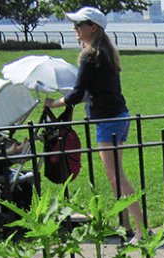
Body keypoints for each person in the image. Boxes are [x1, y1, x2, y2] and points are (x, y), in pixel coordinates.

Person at [45, 7, 146, 244]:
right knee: (115, 177)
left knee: (117, 177)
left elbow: (77, 93)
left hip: (108, 121)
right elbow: (87, 94)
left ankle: (140, 230)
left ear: (93, 27)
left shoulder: (92, 55)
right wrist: (66, 100)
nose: (75, 29)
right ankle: (126, 226)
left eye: (79, 24)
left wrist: (53, 103)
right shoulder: (104, 52)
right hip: (119, 117)